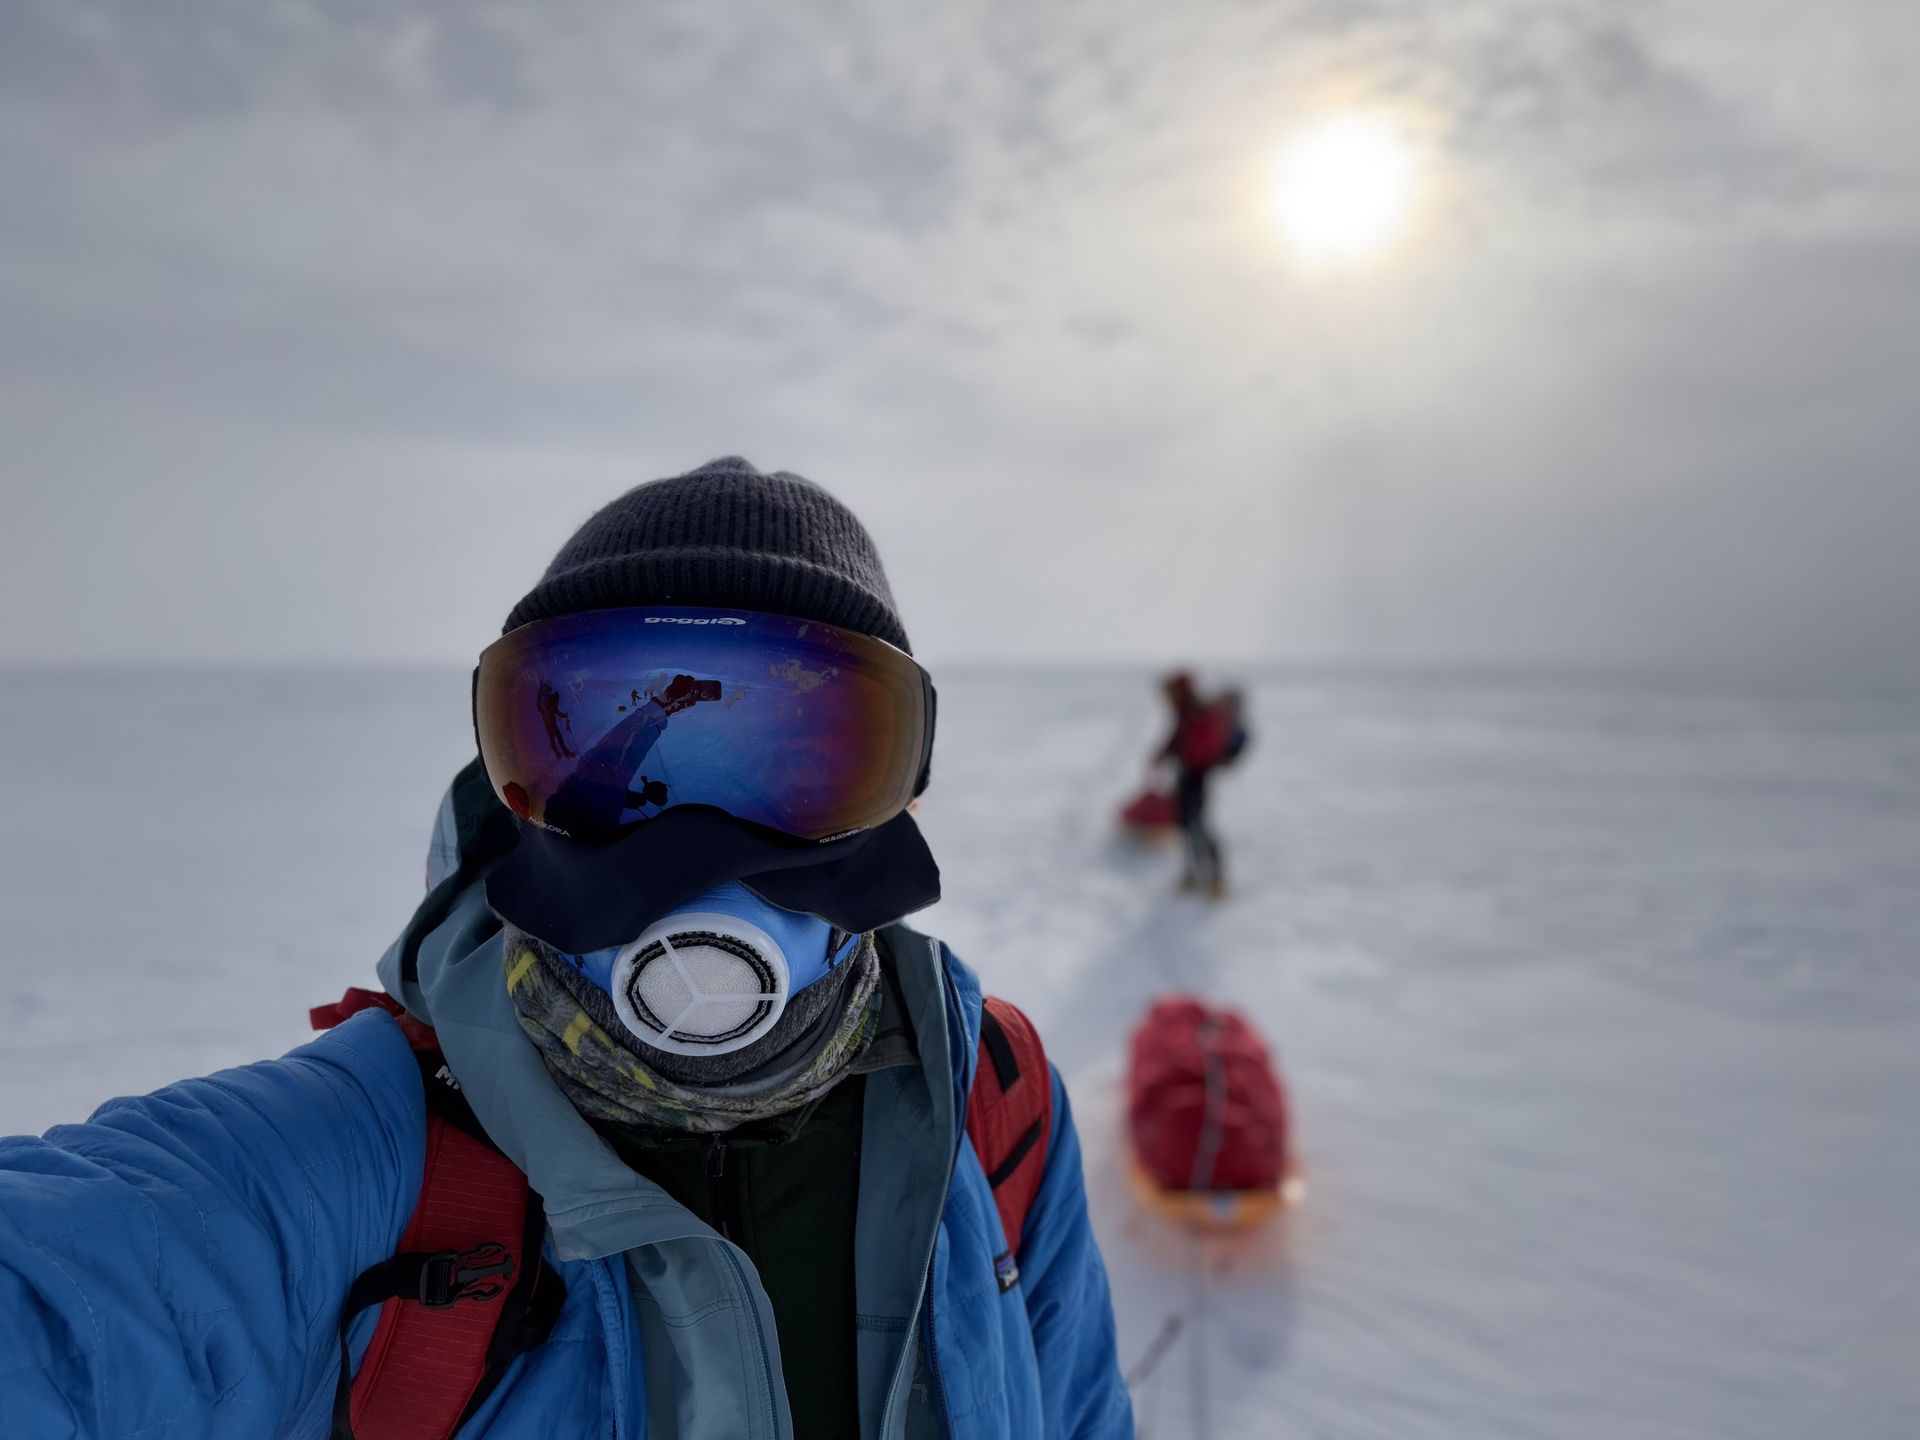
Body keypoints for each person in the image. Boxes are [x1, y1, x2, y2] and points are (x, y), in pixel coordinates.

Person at [0, 457, 1132, 1439]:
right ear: (518, 793)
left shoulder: (992, 1098)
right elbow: (66, 1303)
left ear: (899, 798)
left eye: (798, 759)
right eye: (615, 740)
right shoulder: (356, 1161)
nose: (702, 854)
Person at [1154, 671, 1246, 897]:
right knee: (1185, 823)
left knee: (1198, 824)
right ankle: (1193, 874)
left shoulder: (1196, 709)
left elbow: (1182, 739)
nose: (1167, 697)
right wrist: (1161, 755)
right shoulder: (1186, 709)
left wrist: (1166, 754)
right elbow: (1177, 738)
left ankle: (1216, 878)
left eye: (1170, 691)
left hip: (1198, 774)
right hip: (1188, 772)